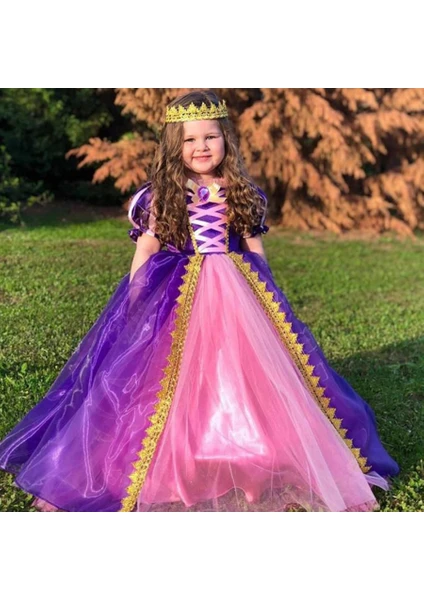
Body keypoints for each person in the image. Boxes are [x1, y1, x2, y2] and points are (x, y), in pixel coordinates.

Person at [0, 89, 399, 512]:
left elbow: (254, 245)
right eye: (189, 139)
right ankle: (176, 458)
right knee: (169, 374)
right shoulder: (163, 193)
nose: (201, 147)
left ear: (226, 139)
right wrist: (136, 294)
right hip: (177, 294)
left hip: (238, 292)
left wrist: (268, 292)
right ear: (175, 146)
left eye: (210, 137)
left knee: (241, 370)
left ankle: (255, 451)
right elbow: (147, 247)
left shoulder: (241, 191)